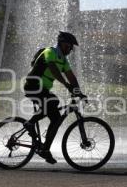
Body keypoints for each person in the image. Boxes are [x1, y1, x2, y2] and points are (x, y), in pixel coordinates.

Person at [24, 31, 86, 164]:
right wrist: (66, 85)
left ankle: (45, 149)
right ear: (63, 44)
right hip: (32, 86)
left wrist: (78, 92)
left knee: (57, 119)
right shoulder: (49, 52)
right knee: (54, 102)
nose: (70, 50)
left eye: (71, 48)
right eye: (69, 46)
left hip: (43, 89)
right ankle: (30, 123)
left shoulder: (63, 60)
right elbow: (53, 69)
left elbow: (71, 76)